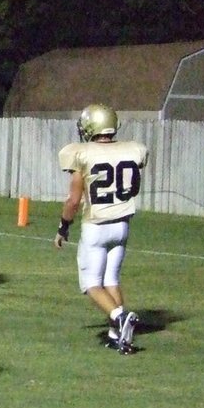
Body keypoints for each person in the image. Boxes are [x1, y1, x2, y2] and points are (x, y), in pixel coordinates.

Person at [53, 103, 149, 354]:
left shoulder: (83, 153)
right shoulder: (132, 149)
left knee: (92, 284)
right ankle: (118, 337)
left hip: (97, 226)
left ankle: (119, 317)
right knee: (111, 280)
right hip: (122, 225)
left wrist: (63, 226)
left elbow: (73, 200)